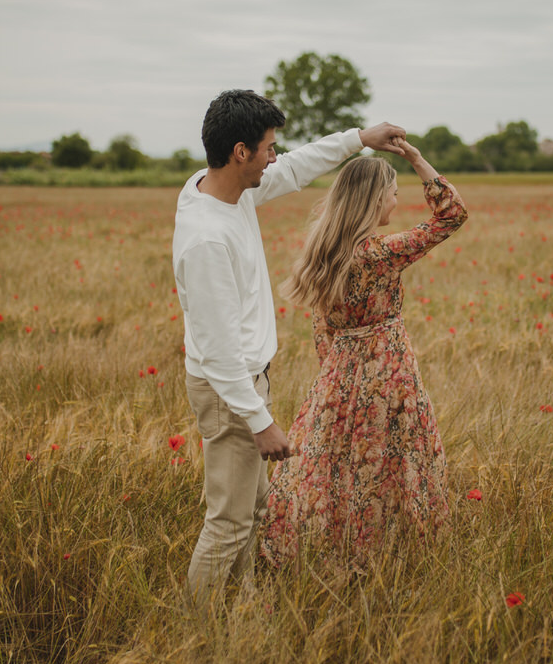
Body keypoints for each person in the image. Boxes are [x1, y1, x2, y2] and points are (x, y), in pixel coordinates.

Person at [172, 89, 405, 609]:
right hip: (230, 388)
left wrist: (360, 139)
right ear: (240, 152)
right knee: (229, 523)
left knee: (250, 512)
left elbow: (298, 168)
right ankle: (196, 630)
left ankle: (243, 606)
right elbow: (216, 350)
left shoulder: (226, 191)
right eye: (268, 148)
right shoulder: (207, 237)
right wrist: (258, 419)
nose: (275, 156)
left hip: (244, 382)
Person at [259, 137, 467, 569]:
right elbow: (452, 215)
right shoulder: (379, 253)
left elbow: (323, 329)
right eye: (393, 192)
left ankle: (340, 549)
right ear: (375, 199)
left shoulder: (326, 253)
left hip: (338, 375)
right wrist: (416, 158)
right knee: (394, 460)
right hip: (390, 376)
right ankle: (389, 556)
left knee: (341, 467)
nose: (396, 199)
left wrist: (337, 375)